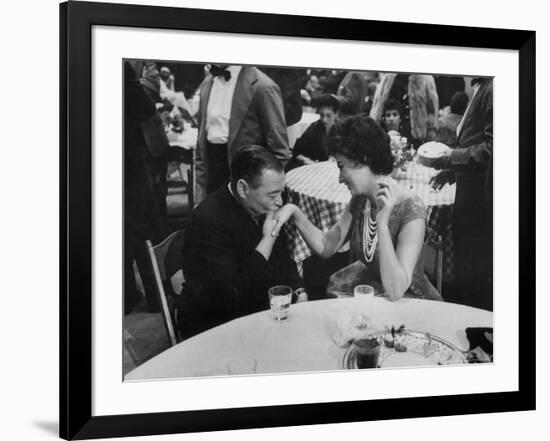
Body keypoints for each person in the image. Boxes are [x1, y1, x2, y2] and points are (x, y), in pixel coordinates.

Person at [272, 115, 442, 301]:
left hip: (409, 304)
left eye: (341, 166)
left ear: (363, 159)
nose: (340, 178)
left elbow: (396, 290)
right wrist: (294, 212)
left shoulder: (411, 208)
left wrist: (382, 226)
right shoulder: (360, 200)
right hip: (372, 296)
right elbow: (327, 246)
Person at [178, 146, 301, 339]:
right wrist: (268, 239)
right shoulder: (208, 220)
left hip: (257, 309)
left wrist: (299, 290)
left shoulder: (263, 202)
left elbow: (284, 257)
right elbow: (230, 295)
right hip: (214, 324)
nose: (279, 202)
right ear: (243, 188)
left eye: (281, 192)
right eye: (272, 195)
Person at [429, 78, 493, 311]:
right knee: (466, 268)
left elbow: (492, 150)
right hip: (468, 193)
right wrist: (451, 172)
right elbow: (475, 142)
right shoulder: (482, 88)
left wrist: (450, 157)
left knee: (473, 277)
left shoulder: (493, 88)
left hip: (480, 202)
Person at [195, 64, 290, 203]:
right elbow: (201, 146)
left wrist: (266, 198)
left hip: (248, 185)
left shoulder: (263, 87)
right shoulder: (207, 84)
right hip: (212, 180)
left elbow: (279, 150)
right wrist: (200, 196)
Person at [124, 61, 169, 314]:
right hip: (131, 158)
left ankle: (126, 296)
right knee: (145, 228)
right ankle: (156, 297)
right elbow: (145, 108)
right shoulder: (125, 68)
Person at [370, 73, 439, 148]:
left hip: (415, 134)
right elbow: (377, 107)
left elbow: (432, 110)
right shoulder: (388, 78)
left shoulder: (426, 79)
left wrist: (431, 132)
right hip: (390, 131)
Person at [288, 94, 339, 169]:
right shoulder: (313, 129)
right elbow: (297, 153)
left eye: (328, 116)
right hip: (314, 168)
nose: (324, 120)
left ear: (336, 114)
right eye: (322, 115)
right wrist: (308, 161)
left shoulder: (341, 130)